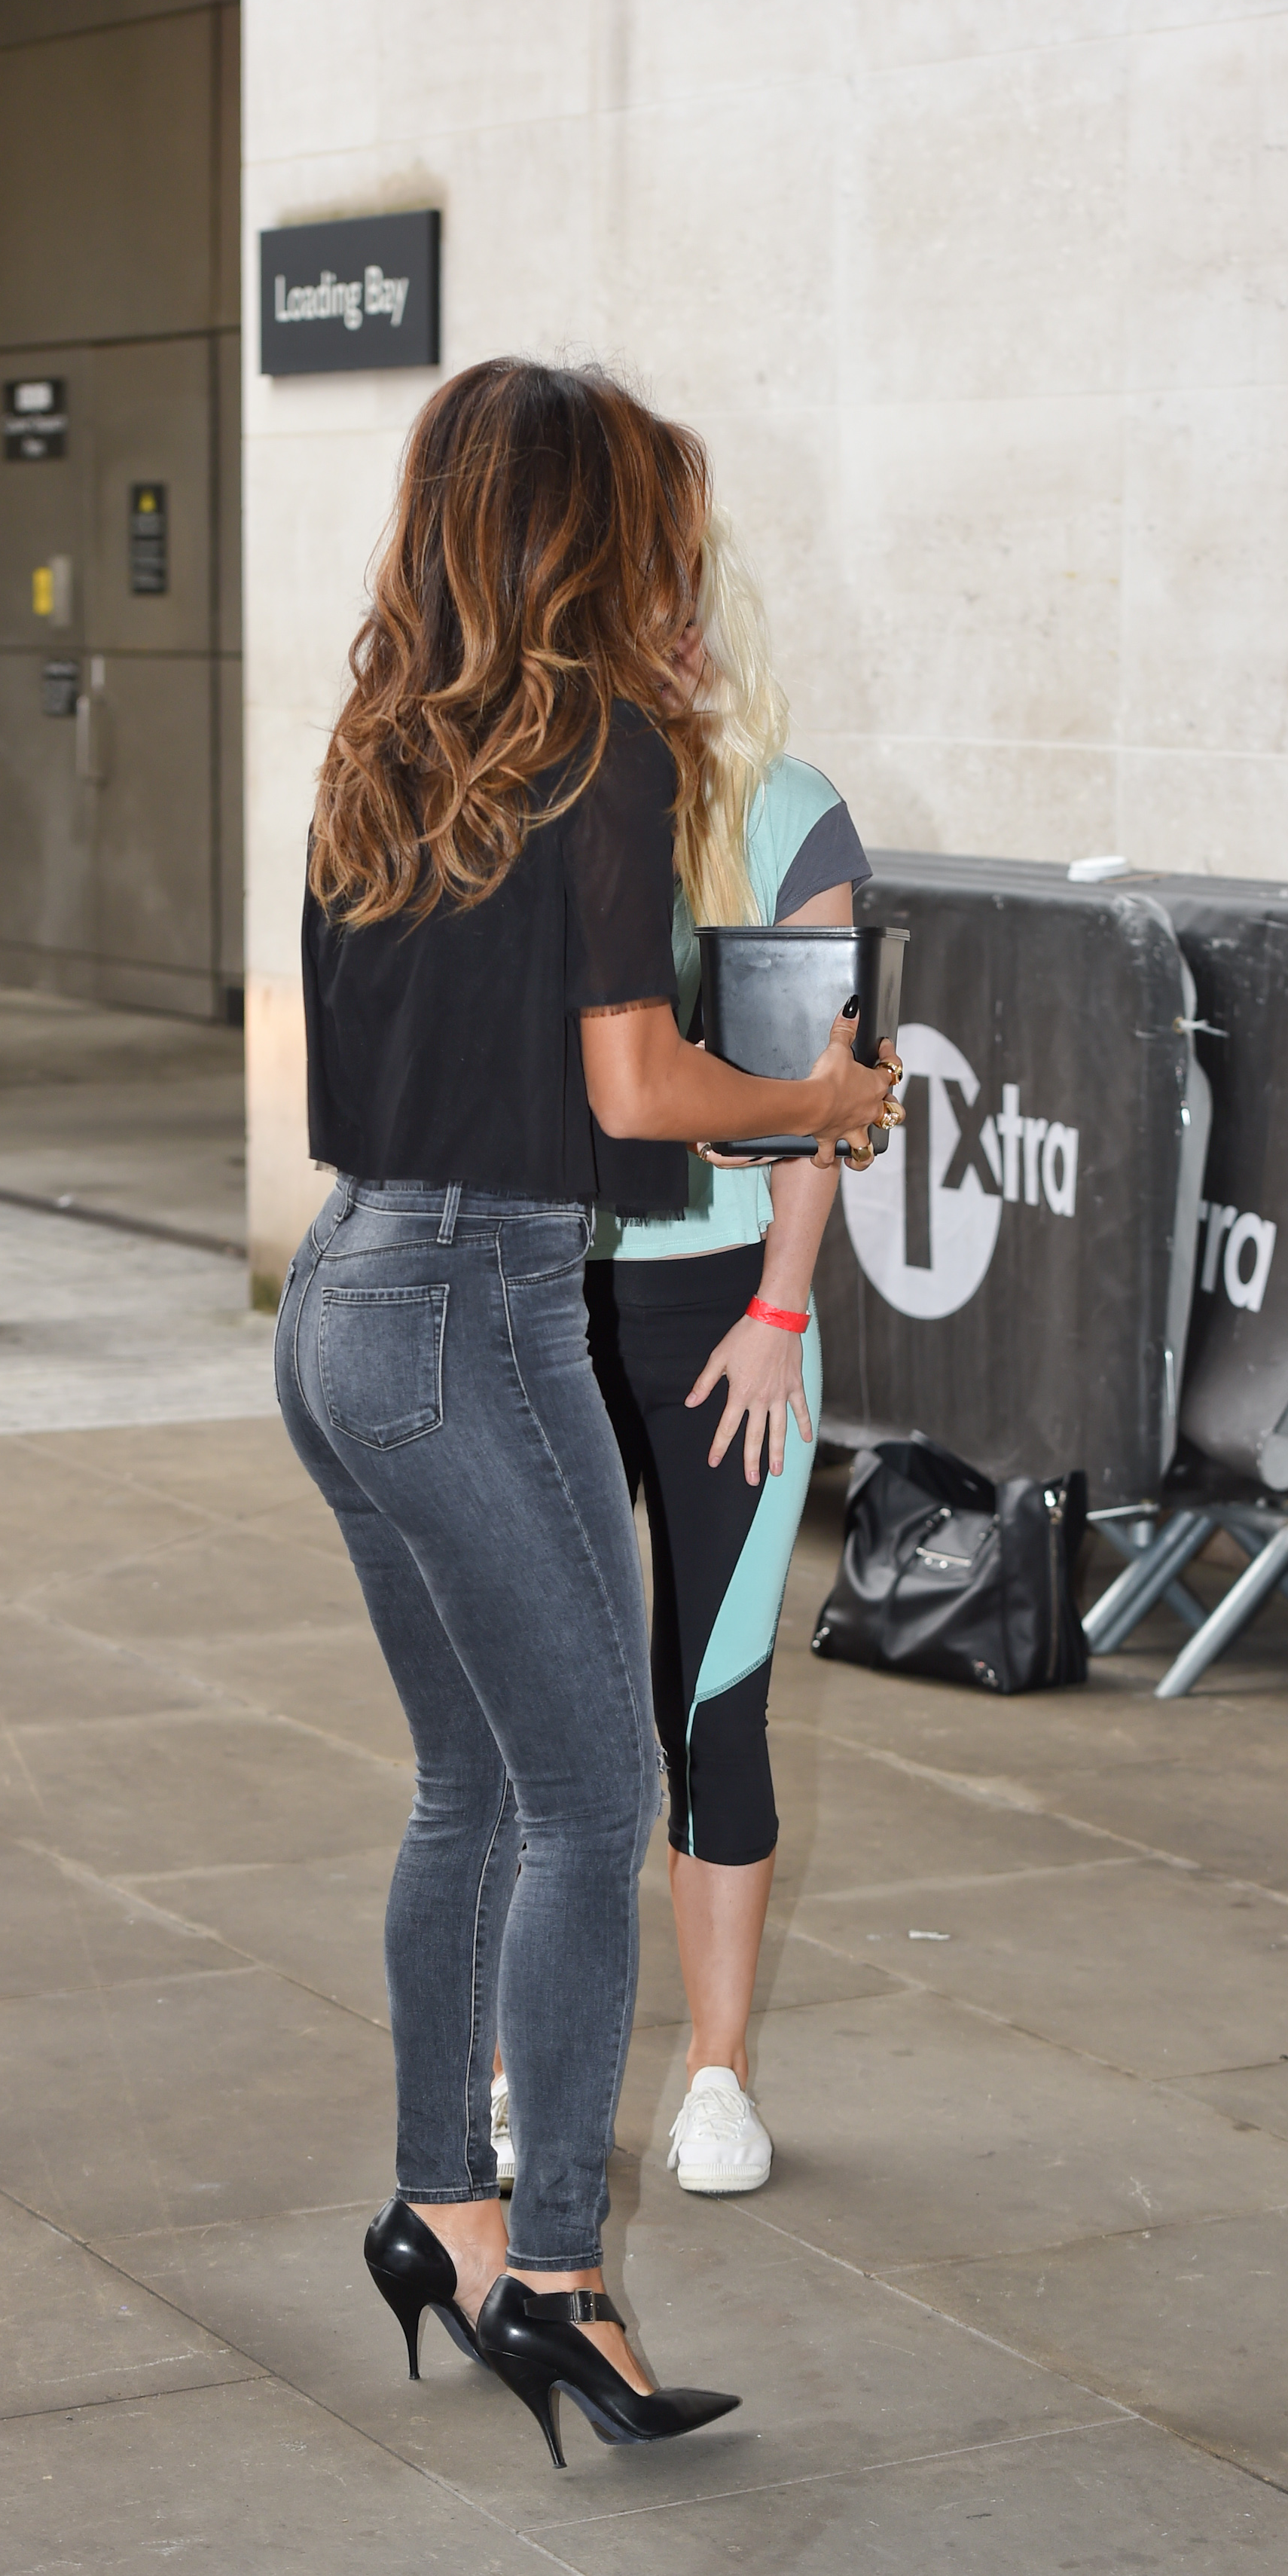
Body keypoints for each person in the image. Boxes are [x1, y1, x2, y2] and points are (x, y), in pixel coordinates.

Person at [273, 359, 898, 2468]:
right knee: (590, 1795)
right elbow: (636, 1086)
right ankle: (553, 2270)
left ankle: (440, 2197)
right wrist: (819, 1097)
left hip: (347, 1299)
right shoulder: (613, 746)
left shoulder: (382, 744)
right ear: (590, 532)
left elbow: (377, 1083)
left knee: (468, 1785)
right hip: (478, 1305)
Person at [490, 509, 864, 2202]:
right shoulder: (539, 808)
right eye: (649, 613)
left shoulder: (788, 815)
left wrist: (783, 1310)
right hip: (541, 1299)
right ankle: (513, 2068)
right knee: (537, 1715)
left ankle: (716, 2074)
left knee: (711, 1696)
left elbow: (816, 1097)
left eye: (693, 608)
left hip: (725, 1315)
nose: (684, 637)